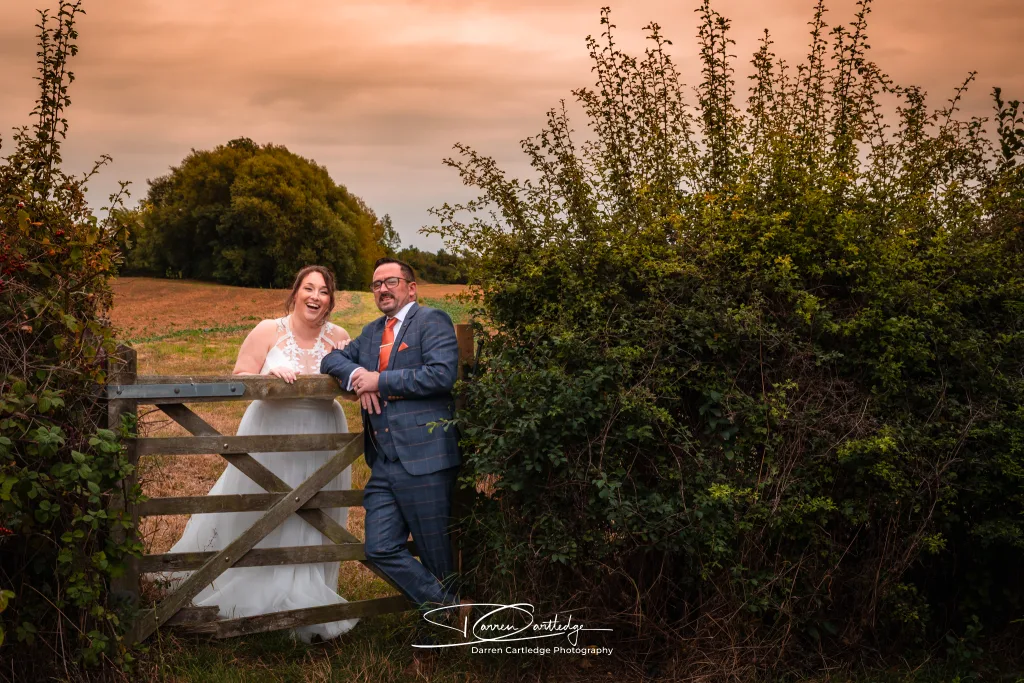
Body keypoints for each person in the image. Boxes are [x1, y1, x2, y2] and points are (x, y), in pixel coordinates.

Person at [161, 265, 359, 642]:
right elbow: (238, 377)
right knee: (263, 504)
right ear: (296, 291)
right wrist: (266, 380)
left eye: (323, 292)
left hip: (323, 431)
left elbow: (350, 386)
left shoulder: (339, 336)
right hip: (271, 429)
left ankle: (306, 589)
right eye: (309, 288)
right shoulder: (268, 330)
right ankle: (240, 578)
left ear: (331, 300)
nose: (315, 297)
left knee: (313, 508)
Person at [319, 258, 470, 649]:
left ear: (411, 287)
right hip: (384, 462)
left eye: (390, 282)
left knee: (438, 554)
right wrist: (356, 376)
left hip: (426, 458)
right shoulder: (370, 334)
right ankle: (454, 610)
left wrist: (379, 380)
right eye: (375, 285)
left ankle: (443, 638)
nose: (382, 289)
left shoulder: (432, 321)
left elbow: (441, 374)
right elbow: (331, 359)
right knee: (380, 547)